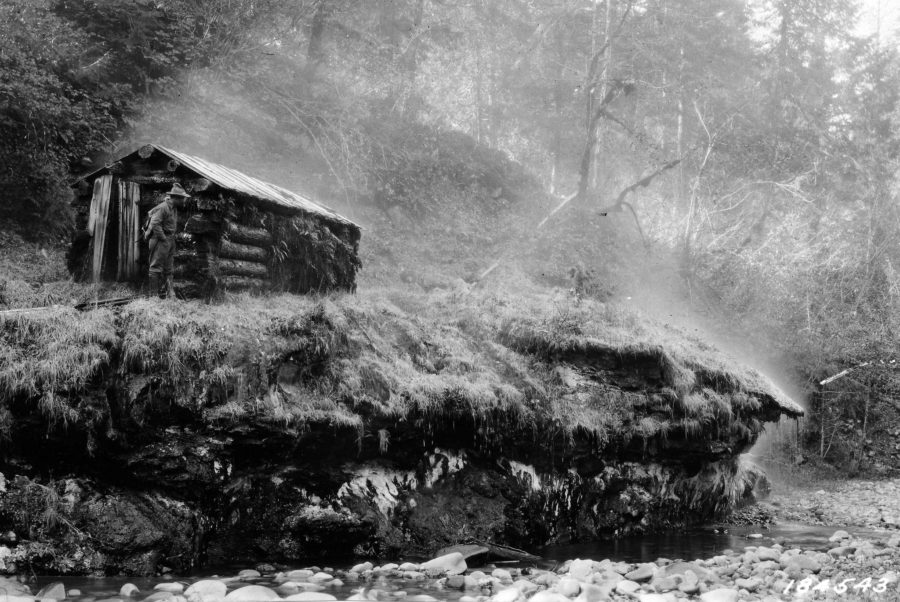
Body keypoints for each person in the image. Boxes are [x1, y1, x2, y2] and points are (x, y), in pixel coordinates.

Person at [144, 183, 190, 298]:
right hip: (160, 240)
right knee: (155, 268)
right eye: (183, 198)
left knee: (168, 269)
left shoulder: (173, 208)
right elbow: (155, 224)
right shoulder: (163, 207)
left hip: (169, 240)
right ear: (177, 198)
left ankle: (170, 294)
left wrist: (169, 239)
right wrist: (163, 238)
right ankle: (153, 297)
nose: (184, 201)